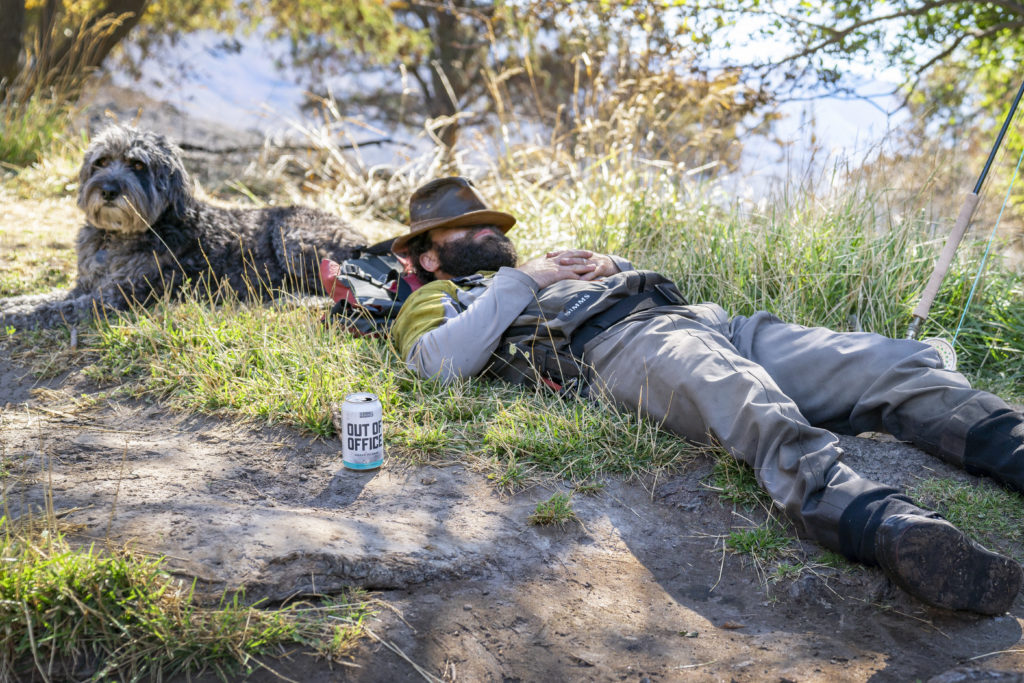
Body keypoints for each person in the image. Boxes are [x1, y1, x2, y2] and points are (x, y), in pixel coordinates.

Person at [389, 176, 1024, 615]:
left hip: (716, 324)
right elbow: (434, 366)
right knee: (751, 403)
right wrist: (521, 281)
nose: (478, 232)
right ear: (427, 258)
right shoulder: (438, 298)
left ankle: (1011, 445)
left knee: (889, 363)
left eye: (482, 222)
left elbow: (656, 291)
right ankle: (889, 527)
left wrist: (608, 265)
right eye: (458, 231)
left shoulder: (553, 263)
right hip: (624, 348)